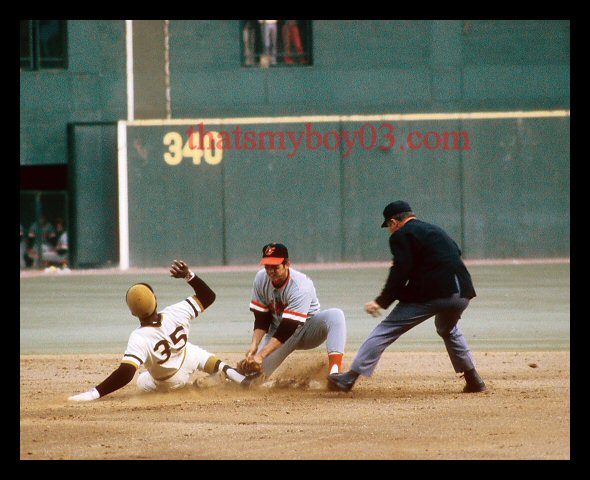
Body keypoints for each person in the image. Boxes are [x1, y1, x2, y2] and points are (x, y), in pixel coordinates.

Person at [328, 201, 486, 394]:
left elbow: (400, 270)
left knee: (387, 329)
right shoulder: (435, 230)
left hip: (435, 292)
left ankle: (349, 378)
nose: (390, 230)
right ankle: (474, 379)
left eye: (388, 226)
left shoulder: (401, 235)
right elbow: (454, 253)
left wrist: (382, 301)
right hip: (462, 292)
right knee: (448, 329)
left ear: (394, 222)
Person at [68, 260, 253, 401]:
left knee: (142, 380)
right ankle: (239, 379)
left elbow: (125, 374)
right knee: (210, 360)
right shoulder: (176, 311)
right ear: (155, 300)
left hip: (170, 381)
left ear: (133, 313)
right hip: (187, 355)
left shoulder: (139, 338)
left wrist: (94, 393)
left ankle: (197, 388)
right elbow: (208, 296)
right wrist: (189, 275)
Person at [239, 243, 347, 385]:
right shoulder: (260, 279)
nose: (270, 271)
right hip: (277, 333)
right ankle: (225, 378)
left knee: (335, 315)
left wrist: (261, 354)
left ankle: (335, 374)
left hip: (308, 329)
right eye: (267, 266)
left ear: (287, 264)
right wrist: (254, 346)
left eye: (275, 267)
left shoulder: (300, 286)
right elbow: (262, 318)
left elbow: (288, 327)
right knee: (252, 378)